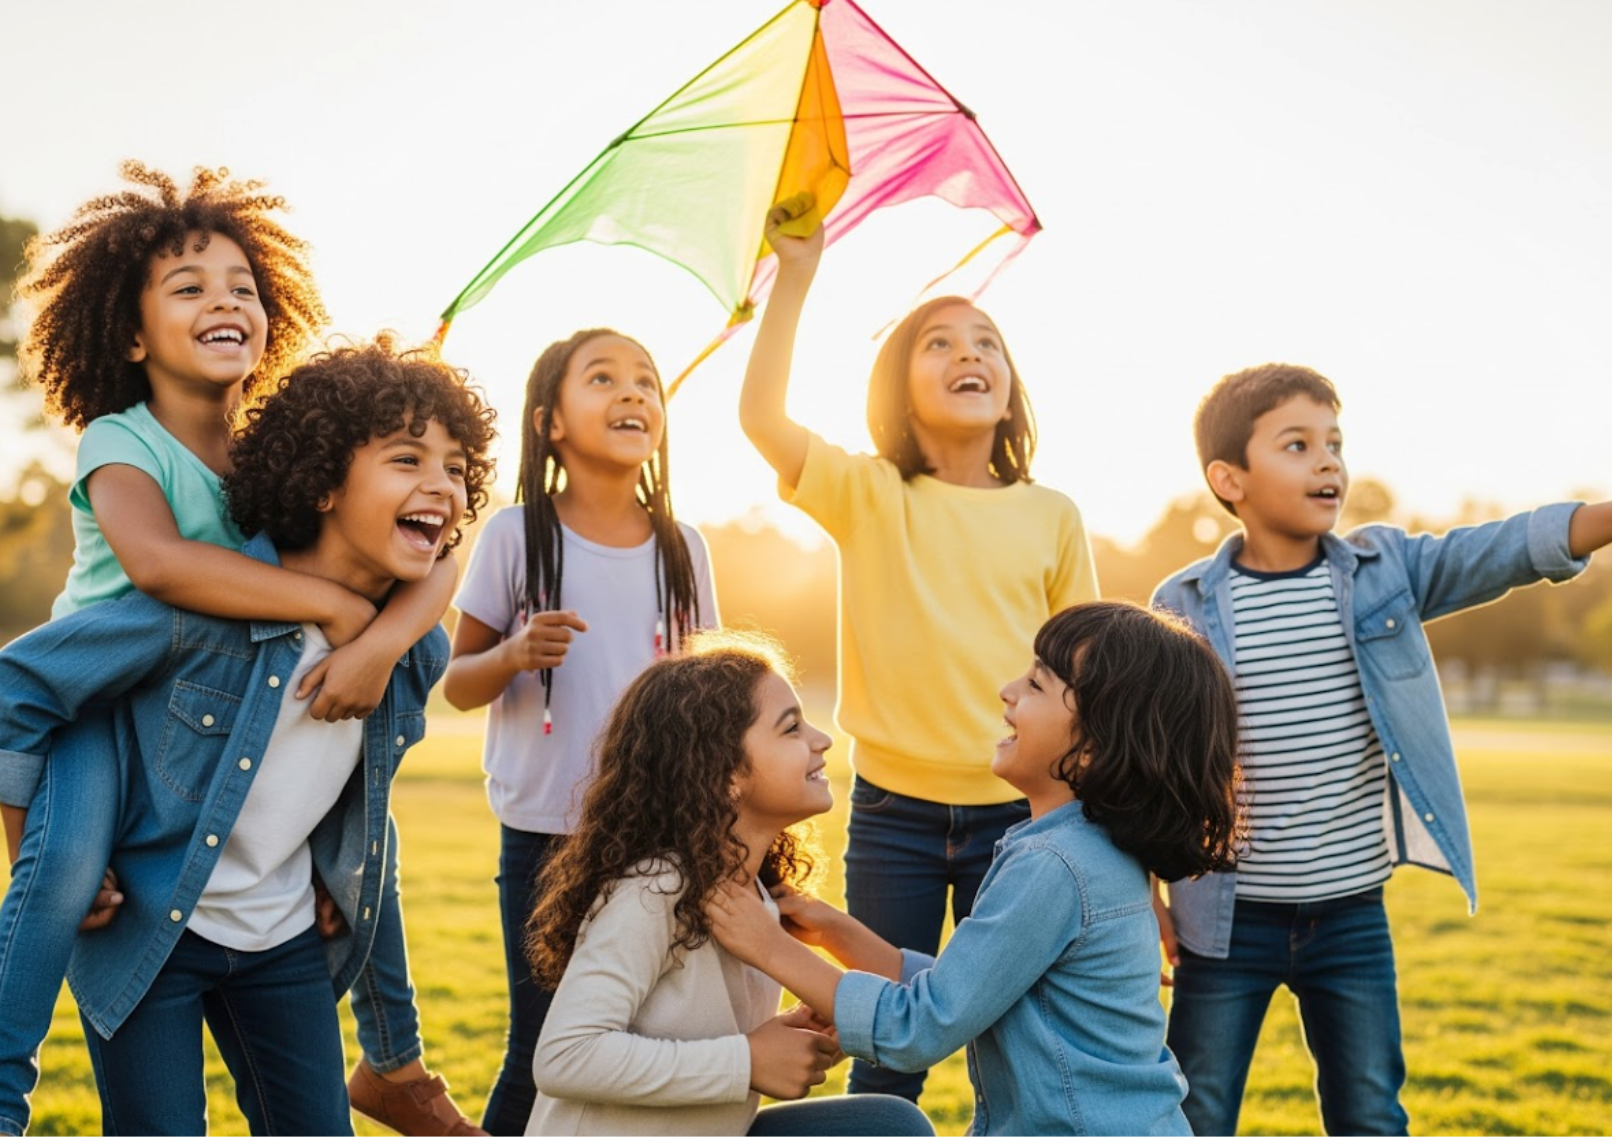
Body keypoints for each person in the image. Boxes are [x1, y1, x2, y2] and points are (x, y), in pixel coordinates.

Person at [0, 165, 478, 1138]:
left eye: (242, 285)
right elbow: (157, 566)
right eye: (188, 287)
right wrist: (332, 603)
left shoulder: (267, 457)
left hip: (247, 855)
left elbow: (441, 557)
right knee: (64, 865)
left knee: (370, 838)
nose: (225, 300)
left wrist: (383, 632)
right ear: (131, 330)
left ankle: (396, 1059)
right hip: (99, 693)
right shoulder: (122, 440)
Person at [1149, 362, 1612, 1136]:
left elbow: (1509, 548)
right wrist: (1153, 900)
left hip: (1349, 917)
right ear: (1228, 478)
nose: (1330, 460)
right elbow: (1152, 762)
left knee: (1371, 1113)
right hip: (1224, 925)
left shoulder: (1383, 572)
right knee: (1193, 1112)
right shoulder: (1183, 604)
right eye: (1297, 445)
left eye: (1335, 442)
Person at [737, 200, 1098, 1103]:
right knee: (886, 1051)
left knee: (1018, 1037)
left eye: (986, 341)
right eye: (938, 343)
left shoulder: (1051, 514)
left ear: (1011, 382)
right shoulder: (869, 492)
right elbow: (760, 417)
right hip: (893, 818)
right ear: (896, 389)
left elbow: (1093, 683)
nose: (969, 353)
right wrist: (796, 276)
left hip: (1022, 822)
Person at [707, 603, 1241, 1136]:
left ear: (1094, 747)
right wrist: (835, 931)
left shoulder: (1054, 866)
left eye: (1036, 684)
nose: (1007, 690)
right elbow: (969, 989)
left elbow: (919, 1029)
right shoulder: (1086, 850)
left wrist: (768, 944)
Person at [442, 328, 718, 1134]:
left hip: (663, 842)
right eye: (603, 379)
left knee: (646, 1045)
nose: (633, 394)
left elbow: (711, 696)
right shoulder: (514, 534)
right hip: (544, 841)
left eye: (646, 381)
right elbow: (456, 684)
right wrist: (515, 653)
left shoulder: (683, 550)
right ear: (548, 423)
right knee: (542, 1051)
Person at [523, 633, 934, 1137]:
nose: (821, 739)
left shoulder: (755, 898)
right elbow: (566, 1056)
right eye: (791, 729)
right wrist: (747, 1061)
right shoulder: (655, 891)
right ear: (725, 773)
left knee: (884, 1125)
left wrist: (774, 1039)